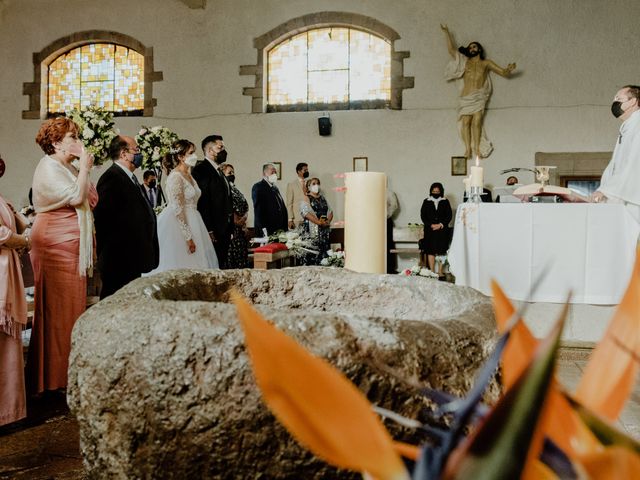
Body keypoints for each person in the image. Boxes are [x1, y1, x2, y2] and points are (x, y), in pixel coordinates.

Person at [28, 117, 98, 394]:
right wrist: (83, 168)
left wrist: (82, 169)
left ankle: (65, 374)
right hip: (55, 243)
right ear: (56, 143)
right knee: (57, 311)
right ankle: (52, 378)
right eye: (72, 137)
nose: (78, 142)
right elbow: (78, 198)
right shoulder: (49, 167)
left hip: (71, 242)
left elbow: (92, 198)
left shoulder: (67, 166)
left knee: (71, 309)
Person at [94, 135, 159, 299]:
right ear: (124, 154)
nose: (139, 154)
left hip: (132, 257)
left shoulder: (130, 177)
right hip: (119, 259)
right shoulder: (111, 178)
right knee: (115, 302)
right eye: (136, 150)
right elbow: (104, 220)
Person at [441, 24, 517, 159]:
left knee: (477, 121)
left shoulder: (486, 63)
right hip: (466, 96)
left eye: (474, 46)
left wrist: (508, 69)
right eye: (470, 47)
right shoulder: (464, 62)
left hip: (479, 96)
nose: (472, 49)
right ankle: (467, 149)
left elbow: (502, 72)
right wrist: (447, 32)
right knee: (465, 122)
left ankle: (476, 147)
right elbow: (451, 50)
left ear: (479, 49)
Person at [147, 140, 218, 273]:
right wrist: (188, 237)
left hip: (195, 219)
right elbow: (178, 208)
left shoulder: (189, 175)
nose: (194, 156)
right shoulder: (175, 176)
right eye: (190, 153)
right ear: (180, 156)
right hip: (180, 224)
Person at [591, 85, 640, 223]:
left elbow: (634, 165)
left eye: (618, 98)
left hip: (634, 201)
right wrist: (603, 189)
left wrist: (606, 191)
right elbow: (615, 165)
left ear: (633, 101)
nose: (614, 102)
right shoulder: (629, 126)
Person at [0, 193, 29, 425]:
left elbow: (18, 224)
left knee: (8, 343)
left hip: (7, 271)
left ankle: (10, 410)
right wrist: (23, 241)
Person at [192, 135, 233, 269]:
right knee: (214, 266)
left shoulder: (220, 171)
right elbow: (203, 201)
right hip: (213, 228)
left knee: (222, 263)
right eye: (220, 147)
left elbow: (226, 199)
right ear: (210, 151)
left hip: (224, 227)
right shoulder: (201, 170)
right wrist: (208, 229)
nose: (223, 150)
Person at [420, 182, 453, 278]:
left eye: (437, 191)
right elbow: (423, 216)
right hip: (430, 230)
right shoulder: (426, 201)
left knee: (441, 250)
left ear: (441, 191)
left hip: (442, 230)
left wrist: (441, 224)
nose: (435, 192)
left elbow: (449, 215)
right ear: (431, 191)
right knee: (431, 250)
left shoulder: (445, 201)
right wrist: (430, 225)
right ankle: (432, 271)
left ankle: (440, 271)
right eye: (433, 191)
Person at [221, 163, 250, 268]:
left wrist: (244, 219)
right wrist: (236, 220)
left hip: (241, 230)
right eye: (229, 172)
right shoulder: (223, 190)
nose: (232, 175)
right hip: (232, 229)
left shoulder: (235, 190)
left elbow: (245, 206)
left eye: (233, 172)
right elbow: (227, 206)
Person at [300, 177, 333, 265]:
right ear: (309, 186)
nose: (316, 185)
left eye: (318, 183)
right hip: (312, 229)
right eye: (314, 184)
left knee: (324, 254)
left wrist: (328, 221)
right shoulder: (307, 198)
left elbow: (330, 211)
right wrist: (318, 222)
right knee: (313, 254)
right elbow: (305, 212)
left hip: (324, 230)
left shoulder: (323, 198)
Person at [252, 163, 288, 235]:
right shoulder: (258, 187)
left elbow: (281, 207)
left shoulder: (275, 188)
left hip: (279, 229)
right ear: (264, 173)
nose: (274, 174)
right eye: (272, 172)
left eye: (275, 172)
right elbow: (258, 210)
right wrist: (263, 229)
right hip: (267, 230)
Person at [286, 162, 309, 229]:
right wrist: (290, 219)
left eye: (307, 170)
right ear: (299, 171)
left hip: (311, 218)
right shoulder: (291, 185)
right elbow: (289, 203)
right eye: (305, 170)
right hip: (297, 218)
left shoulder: (310, 183)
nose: (307, 172)